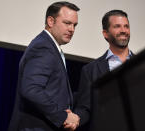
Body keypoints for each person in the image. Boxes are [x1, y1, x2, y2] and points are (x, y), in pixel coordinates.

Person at [8, 1, 80, 131]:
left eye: (74, 25)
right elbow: (31, 89)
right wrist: (63, 116)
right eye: (67, 23)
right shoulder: (44, 47)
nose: (72, 29)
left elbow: (53, 91)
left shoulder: (49, 46)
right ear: (51, 21)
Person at [73, 9, 134, 128]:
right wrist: (75, 119)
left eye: (126, 26)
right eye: (117, 26)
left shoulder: (144, 64)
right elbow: (85, 108)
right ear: (105, 33)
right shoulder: (90, 70)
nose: (123, 30)